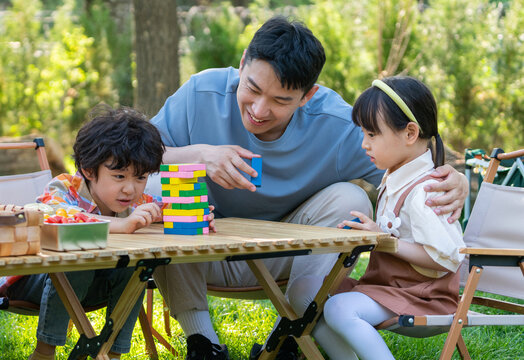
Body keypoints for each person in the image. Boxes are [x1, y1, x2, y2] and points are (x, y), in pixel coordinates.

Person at [149, 16, 468, 359]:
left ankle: (290, 333)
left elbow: (412, 157)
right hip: (196, 253)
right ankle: (203, 342)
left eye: (280, 100)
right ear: (242, 63)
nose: (259, 110)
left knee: (350, 197)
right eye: (253, 89)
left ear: (307, 95)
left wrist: (454, 177)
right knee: (155, 184)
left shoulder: (336, 124)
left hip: (284, 258)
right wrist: (198, 155)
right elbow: (130, 159)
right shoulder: (201, 93)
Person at [0, 106, 208, 360]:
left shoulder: (135, 201)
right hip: (35, 282)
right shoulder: (64, 188)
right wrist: (121, 225)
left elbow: (163, 208)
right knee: (80, 259)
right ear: (88, 170)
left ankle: (113, 351)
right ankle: (44, 352)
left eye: (140, 177)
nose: (129, 189)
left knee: (137, 267)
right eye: (119, 176)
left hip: (92, 287)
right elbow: (53, 214)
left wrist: (194, 213)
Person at [287, 76, 465, 359]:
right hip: (386, 290)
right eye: (363, 134)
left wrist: (384, 241)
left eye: (372, 134)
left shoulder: (425, 191)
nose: (364, 144)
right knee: (301, 288)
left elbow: (448, 257)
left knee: (339, 308)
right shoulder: (394, 179)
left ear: (409, 133)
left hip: (423, 298)